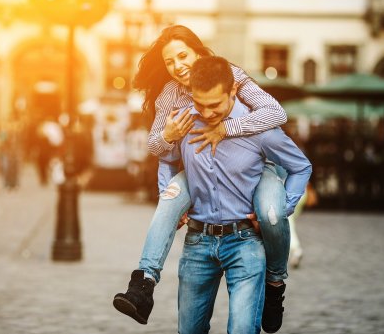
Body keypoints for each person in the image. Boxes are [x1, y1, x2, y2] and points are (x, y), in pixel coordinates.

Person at [113, 24, 292, 332]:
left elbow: (275, 113)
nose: (177, 66)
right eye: (170, 62)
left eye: (182, 56)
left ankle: (275, 285)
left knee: (271, 214)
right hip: (198, 170)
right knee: (168, 200)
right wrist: (168, 134)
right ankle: (143, 285)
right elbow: (157, 147)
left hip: (249, 168)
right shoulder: (170, 94)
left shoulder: (229, 75)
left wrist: (228, 129)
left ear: (198, 51)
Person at [168, 56, 311, 333]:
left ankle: (276, 282)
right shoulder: (185, 121)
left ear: (233, 90)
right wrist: (170, 199)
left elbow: (301, 166)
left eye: (214, 105)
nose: (207, 113)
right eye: (200, 103)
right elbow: (166, 159)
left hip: (245, 242)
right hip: (197, 243)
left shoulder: (258, 128)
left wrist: (283, 208)